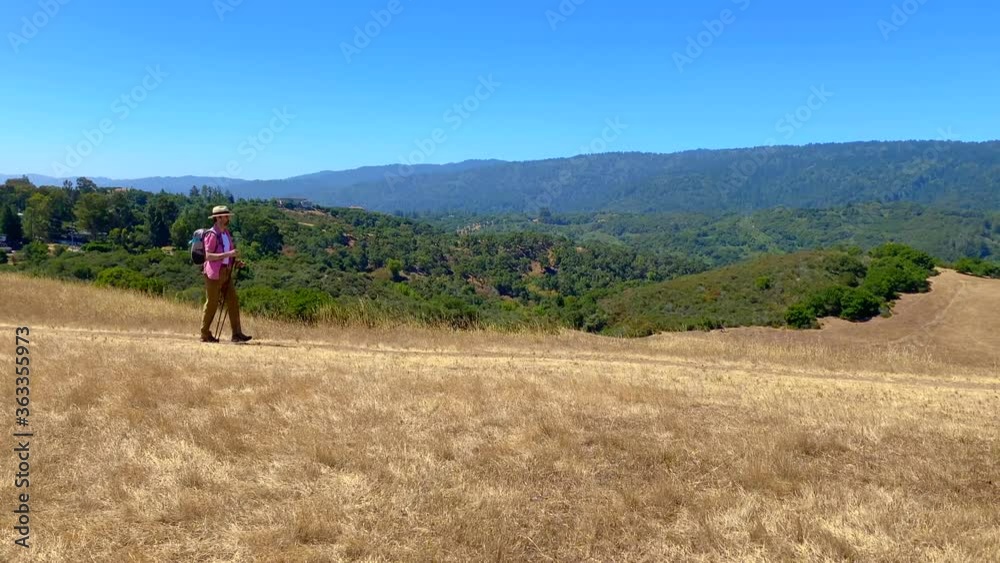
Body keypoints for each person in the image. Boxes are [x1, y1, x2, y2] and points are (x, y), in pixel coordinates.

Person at [200, 205, 252, 343]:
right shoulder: (212, 235)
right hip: (214, 274)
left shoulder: (226, 233)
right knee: (212, 303)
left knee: (233, 301)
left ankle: (237, 334)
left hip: (226, 272)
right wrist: (228, 254)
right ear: (218, 218)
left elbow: (228, 254)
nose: (228, 218)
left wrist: (235, 262)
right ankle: (205, 334)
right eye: (226, 216)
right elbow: (208, 256)